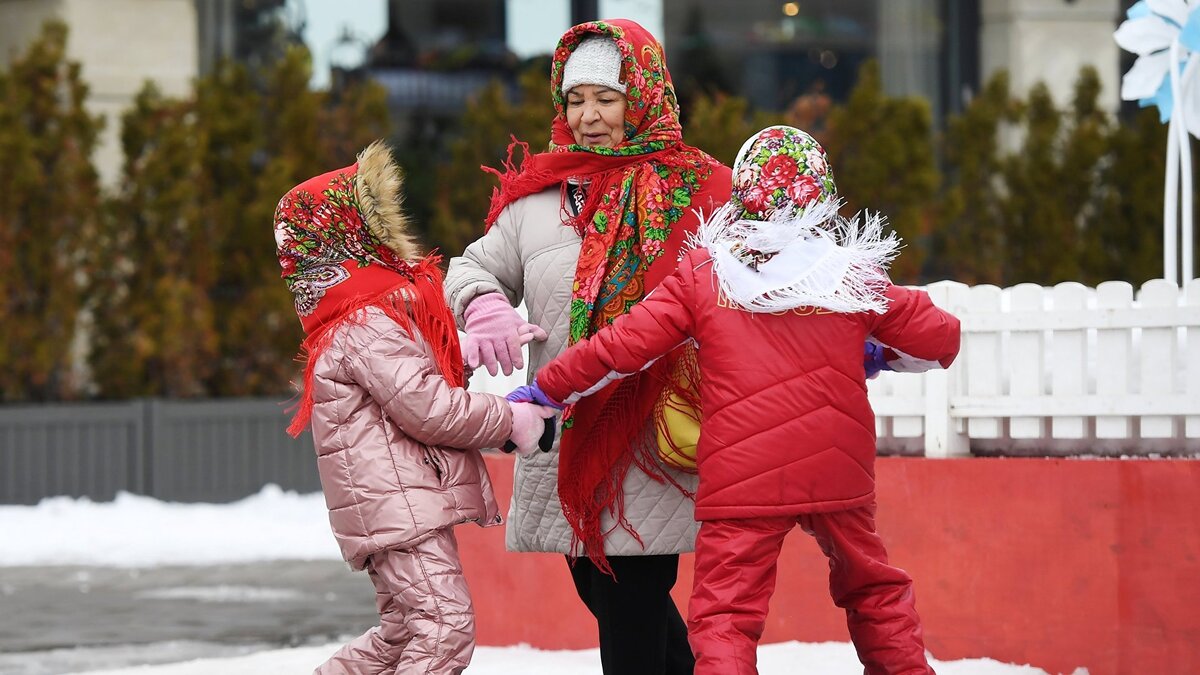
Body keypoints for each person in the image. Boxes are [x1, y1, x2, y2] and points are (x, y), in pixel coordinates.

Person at [517, 126, 961, 674]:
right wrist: (877, 354)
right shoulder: (850, 273)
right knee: (873, 589)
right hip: (837, 469)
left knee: (727, 615)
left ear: (741, 191)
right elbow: (940, 339)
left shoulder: (707, 274)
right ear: (822, 193)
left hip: (744, 474)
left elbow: (619, 348)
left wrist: (546, 389)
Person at [444, 19, 732, 675]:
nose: (589, 116)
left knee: (628, 598)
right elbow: (471, 265)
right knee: (604, 589)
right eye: (575, 100)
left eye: (606, 97)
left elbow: (756, 276)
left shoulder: (698, 192)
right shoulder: (540, 200)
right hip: (565, 425)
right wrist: (482, 301)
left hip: (652, 426)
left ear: (644, 95)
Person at [274, 141, 555, 674]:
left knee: (403, 633)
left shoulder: (358, 318)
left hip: (393, 504)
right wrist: (510, 419)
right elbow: (427, 408)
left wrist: (457, 353)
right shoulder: (366, 323)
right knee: (445, 629)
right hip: (398, 506)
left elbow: (406, 387)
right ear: (351, 238)